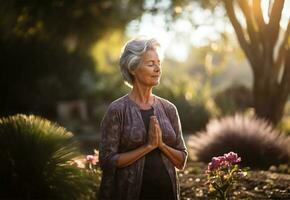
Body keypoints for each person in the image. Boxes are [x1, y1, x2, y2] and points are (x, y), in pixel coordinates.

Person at [99, 37, 188, 200]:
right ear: (133, 68)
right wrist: (148, 146)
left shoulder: (169, 109)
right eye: (151, 64)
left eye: (159, 63)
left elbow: (182, 160)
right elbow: (107, 161)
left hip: (166, 194)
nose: (158, 69)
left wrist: (161, 145)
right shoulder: (117, 110)